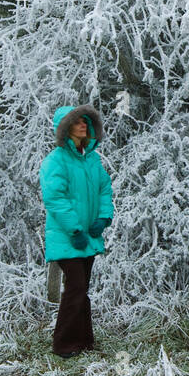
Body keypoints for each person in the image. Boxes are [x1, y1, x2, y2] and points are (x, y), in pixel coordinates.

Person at [39, 103, 114, 358]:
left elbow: (105, 189)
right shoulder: (55, 161)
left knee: (81, 288)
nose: (84, 125)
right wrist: (75, 230)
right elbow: (54, 198)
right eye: (78, 121)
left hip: (88, 236)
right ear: (65, 128)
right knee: (76, 287)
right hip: (67, 237)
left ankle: (84, 341)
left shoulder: (91, 159)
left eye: (86, 121)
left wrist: (103, 218)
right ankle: (63, 345)